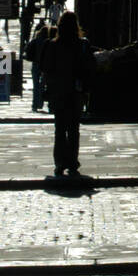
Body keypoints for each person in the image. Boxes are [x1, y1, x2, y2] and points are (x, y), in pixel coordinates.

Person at [39, 11, 96, 178]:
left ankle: (59, 163)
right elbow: (90, 67)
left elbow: (45, 68)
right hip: (76, 93)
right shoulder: (83, 45)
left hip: (58, 92)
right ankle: (72, 162)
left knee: (60, 129)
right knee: (73, 129)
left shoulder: (52, 45)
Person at [25, 19, 50, 111]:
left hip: (35, 64)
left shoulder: (35, 40)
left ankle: (35, 104)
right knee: (42, 85)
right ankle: (40, 103)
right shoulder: (48, 41)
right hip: (45, 66)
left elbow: (27, 50)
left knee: (36, 86)